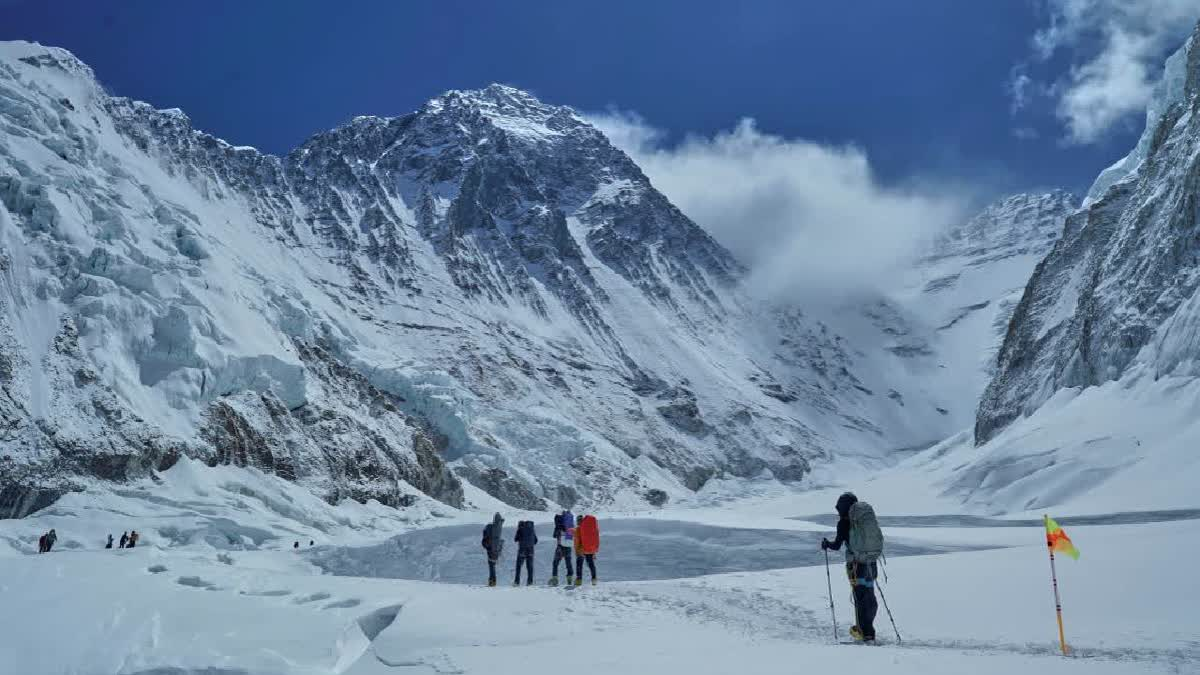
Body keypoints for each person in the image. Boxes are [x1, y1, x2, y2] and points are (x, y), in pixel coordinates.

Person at [822, 492, 883, 643]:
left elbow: (836, 546)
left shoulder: (843, 523)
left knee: (860, 598)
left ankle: (864, 632)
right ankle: (869, 630)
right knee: (869, 596)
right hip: (871, 563)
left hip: (856, 566)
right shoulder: (862, 520)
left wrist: (826, 544)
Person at [548, 512, 574, 586]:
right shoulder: (569, 526)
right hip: (568, 546)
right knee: (568, 563)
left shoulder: (558, 526)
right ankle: (569, 579)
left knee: (555, 563)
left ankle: (555, 579)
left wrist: (557, 529)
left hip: (560, 547)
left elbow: (554, 535)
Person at [573, 514, 599, 586]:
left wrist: (577, 550)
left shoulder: (578, 529)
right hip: (589, 549)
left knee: (579, 565)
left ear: (578, 521)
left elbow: (577, 540)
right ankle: (594, 579)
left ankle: (579, 580)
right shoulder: (589, 528)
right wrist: (593, 551)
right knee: (591, 564)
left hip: (581, 549)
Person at [481, 513, 504, 587]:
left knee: (491, 565)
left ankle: (492, 581)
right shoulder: (500, 526)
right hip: (497, 549)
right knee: (492, 565)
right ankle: (492, 581)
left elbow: (485, 536)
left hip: (490, 548)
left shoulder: (490, 527)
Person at [513, 520, 538, 586]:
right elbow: (535, 541)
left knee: (518, 566)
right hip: (530, 550)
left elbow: (515, 539)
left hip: (522, 550)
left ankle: (516, 582)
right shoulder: (532, 529)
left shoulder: (520, 529)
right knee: (529, 567)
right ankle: (530, 582)